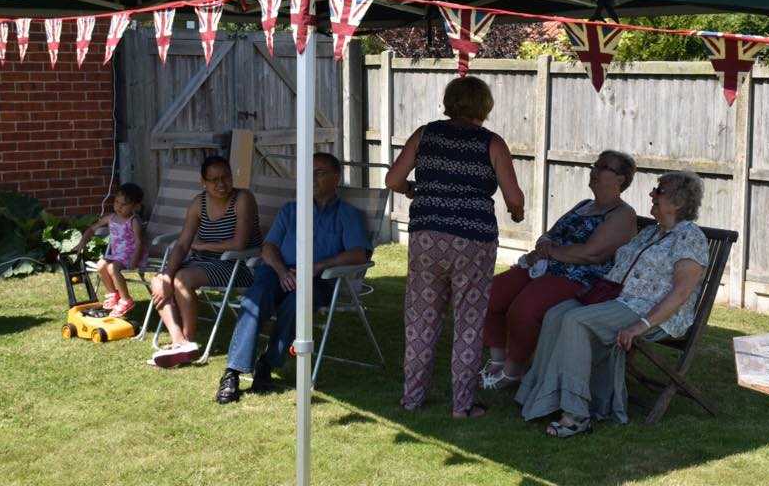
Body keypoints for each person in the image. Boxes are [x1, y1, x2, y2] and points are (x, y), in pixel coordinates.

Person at [515, 170, 709, 437]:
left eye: (659, 191)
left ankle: (576, 414)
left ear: (678, 202)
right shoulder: (651, 232)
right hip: (617, 299)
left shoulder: (690, 236)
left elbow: (681, 293)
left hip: (650, 312)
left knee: (575, 321)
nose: (651, 194)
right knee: (556, 314)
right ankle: (540, 396)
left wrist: (640, 326)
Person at [385, 75, 525, 419]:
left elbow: (393, 180)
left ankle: (412, 399)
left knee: (421, 319)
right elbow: (514, 197)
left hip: (427, 237)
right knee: (469, 321)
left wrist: (414, 190)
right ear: (484, 106)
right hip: (473, 241)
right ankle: (462, 406)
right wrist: (517, 213)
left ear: (450, 102)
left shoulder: (425, 134)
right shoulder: (492, 143)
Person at [216, 152, 370, 404]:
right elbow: (269, 247)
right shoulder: (291, 210)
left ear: (336, 178)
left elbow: (359, 253)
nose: (312, 179)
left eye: (320, 173)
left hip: (318, 279)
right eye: (309, 173)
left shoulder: (347, 214)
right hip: (278, 271)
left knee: (297, 304)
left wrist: (319, 266)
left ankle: (267, 364)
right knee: (256, 297)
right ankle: (232, 372)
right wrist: (281, 271)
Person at [481, 150, 637, 390]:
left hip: (578, 277)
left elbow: (591, 254)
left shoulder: (622, 214)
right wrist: (545, 245)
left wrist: (551, 251)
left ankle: (514, 370)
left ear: (621, 179)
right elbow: (549, 234)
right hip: (545, 266)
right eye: (595, 165)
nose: (594, 171)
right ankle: (498, 360)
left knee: (525, 309)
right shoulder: (584, 205)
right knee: (491, 293)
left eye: (603, 167)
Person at [149, 155, 263, 368]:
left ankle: (188, 339)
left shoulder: (243, 199)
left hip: (238, 265)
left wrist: (202, 246)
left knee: (182, 279)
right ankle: (179, 341)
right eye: (214, 180)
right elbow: (183, 243)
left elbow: (239, 244)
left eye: (225, 177)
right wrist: (166, 276)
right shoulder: (198, 203)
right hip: (202, 264)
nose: (221, 184)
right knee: (158, 281)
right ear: (203, 182)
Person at [76, 182, 147, 319]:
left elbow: (139, 242)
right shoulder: (111, 218)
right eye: (116, 202)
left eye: (124, 204)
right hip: (116, 255)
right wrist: (82, 242)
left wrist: (134, 260)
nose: (119, 206)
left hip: (130, 256)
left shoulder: (133, 221)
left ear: (136, 206)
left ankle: (126, 300)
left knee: (112, 268)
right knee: (101, 265)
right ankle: (114, 294)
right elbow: (92, 229)